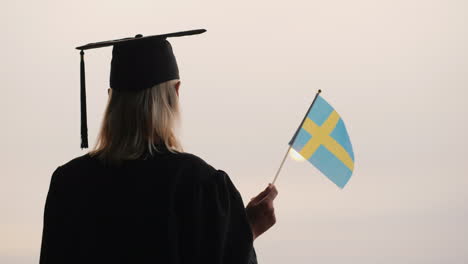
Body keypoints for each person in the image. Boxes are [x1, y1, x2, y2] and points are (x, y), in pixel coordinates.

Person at [39, 29, 278, 264]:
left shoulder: (69, 183)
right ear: (175, 92)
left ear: (111, 97)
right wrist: (247, 230)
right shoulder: (198, 183)